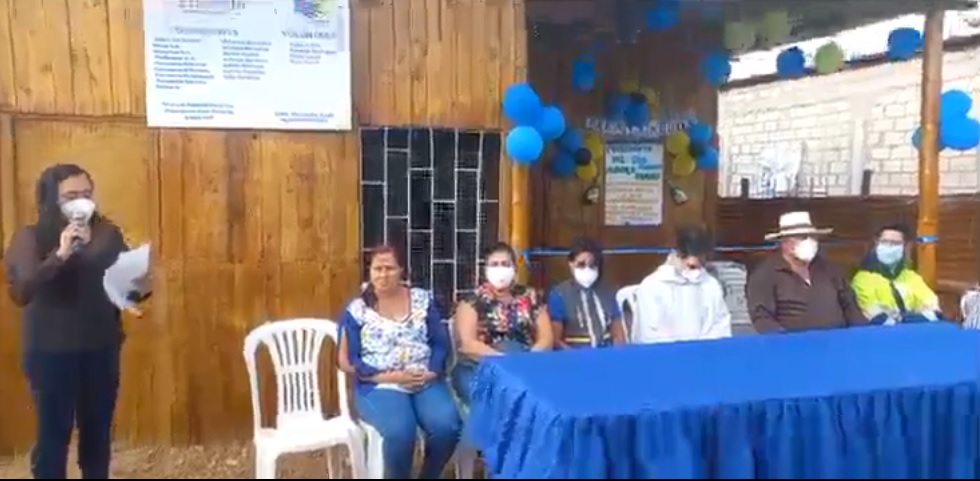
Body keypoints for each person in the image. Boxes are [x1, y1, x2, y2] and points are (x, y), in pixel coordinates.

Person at [4, 163, 151, 479]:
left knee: (97, 434)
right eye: (71, 196)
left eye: (87, 194)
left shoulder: (107, 233)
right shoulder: (29, 237)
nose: (81, 202)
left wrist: (136, 289)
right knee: (53, 436)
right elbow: (22, 291)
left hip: (100, 348)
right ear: (50, 199)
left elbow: (127, 283)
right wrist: (60, 254)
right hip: (51, 352)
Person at [337, 245, 461, 479]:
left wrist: (432, 372)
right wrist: (389, 376)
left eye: (390, 268)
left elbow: (440, 343)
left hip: (423, 378)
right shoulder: (357, 310)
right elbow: (349, 359)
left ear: (401, 270)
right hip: (380, 383)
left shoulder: (422, 300)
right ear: (369, 271)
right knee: (400, 433)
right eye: (377, 269)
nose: (383, 274)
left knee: (448, 427)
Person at [451, 242, 554, 406]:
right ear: (486, 270)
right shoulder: (472, 301)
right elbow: (468, 344)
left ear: (515, 268)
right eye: (494, 264)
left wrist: (529, 359)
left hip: (524, 365)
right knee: (491, 401)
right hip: (479, 365)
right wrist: (503, 361)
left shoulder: (530, 297)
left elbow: (547, 337)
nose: (500, 269)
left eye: (505, 264)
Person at [747, 211, 867, 333]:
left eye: (813, 237)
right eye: (802, 237)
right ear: (784, 242)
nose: (810, 242)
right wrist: (785, 341)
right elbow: (763, 318)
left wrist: (863, 335)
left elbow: (851, 307)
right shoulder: (765, 275)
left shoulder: (830, 269)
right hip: (794, 344)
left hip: (838, 342)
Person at [632, 226, 733, 343]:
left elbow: (720, 326)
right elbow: (649, 334)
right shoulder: (652, 286)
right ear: (678, 255)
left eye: (700, 266)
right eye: (691, 267)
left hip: (704, 351)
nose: (696, 273)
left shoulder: (710, 284)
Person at [851, 224, 942, 324]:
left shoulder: (912, 277)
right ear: (876, 245)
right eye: (884, 242)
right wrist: (916, 316)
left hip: (916, 330)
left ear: (904, 247)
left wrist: (900, 318)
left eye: (895, 243)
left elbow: (934, 311)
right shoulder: (862, 279)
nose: (889, 247)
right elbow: (877, 318)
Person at [546, 237, 626, 349]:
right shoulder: (559, 294)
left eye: (592, 265)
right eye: (581, 264)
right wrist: (575, 357)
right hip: (573, 354)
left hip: (606, 353)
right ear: (571, 264)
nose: (587, 269)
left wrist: (613, 356)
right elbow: (556, 340)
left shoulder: (609, 291)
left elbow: (618, 335)